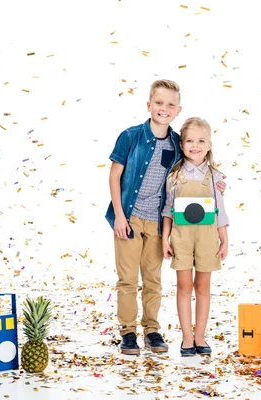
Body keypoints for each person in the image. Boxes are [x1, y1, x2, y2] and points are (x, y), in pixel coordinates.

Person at [105, 80, 225, 355]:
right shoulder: (130, 136)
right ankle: (128, 332)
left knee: (153, 279)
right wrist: (120, 217)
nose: (164, 109)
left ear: (178, 110)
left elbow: (194, 170)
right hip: (131, 216)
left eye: (171, 104)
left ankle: (152, 330)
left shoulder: (176, 142)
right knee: (127, 279)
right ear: (149, 105)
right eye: (159, 103)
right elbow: (114, 176)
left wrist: (217, 183)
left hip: (158, 222)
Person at [161, 117, 229, 357]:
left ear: (209, 144)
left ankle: (200, 335)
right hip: (181, 237)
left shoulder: (215, 177)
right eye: (189, 141)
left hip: (207, 238)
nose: (195, 145)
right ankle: (187, 338)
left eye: (201, 140)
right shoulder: (174, 176)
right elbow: (168, 211)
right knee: (183, 286)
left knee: (203, 287)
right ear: (182, 144)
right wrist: (164, 239)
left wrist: (224, 239)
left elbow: (220, 210)